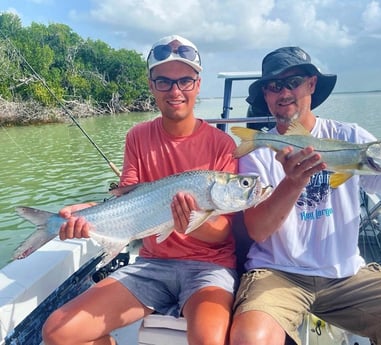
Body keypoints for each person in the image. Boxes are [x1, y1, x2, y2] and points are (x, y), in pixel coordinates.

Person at [230, 46, 381, 345]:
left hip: (347, 275)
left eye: (293, 82)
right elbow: (257, 230)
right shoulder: (259, 150)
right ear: (266, 96)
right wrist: (292, 183)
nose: (283, 92)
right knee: (248, 340)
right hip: (278, 273)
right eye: (273, 86)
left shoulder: (351, 137)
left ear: (311, 84)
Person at [42, 35, 238, 345]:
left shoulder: (222, 145)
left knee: (210, 341)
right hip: (152, 264)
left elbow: (223, 234)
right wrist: (89, 212)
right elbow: (128, 199)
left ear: (198, 85)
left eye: (185, 81)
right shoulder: (137, 136)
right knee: (57, 332)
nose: (175, 91)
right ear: (151, 85)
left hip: (208, 268)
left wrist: (187, 221)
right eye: (164, 81)